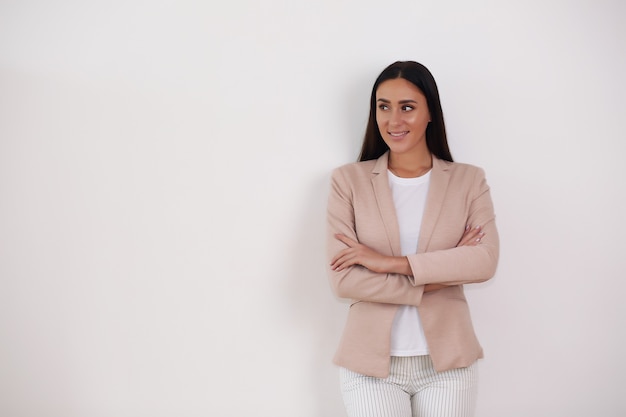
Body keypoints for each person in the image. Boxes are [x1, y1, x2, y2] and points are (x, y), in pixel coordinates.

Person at [325, 61, 499, 417]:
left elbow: (483, 261)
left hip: (448, 365)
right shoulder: (349, 182)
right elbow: (344, 280)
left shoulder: (468, 181)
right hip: (369, 367)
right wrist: (442, 272)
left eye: (407, 107)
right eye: (383, 106)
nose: (393, 120)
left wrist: (389, 263)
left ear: (431, 112)